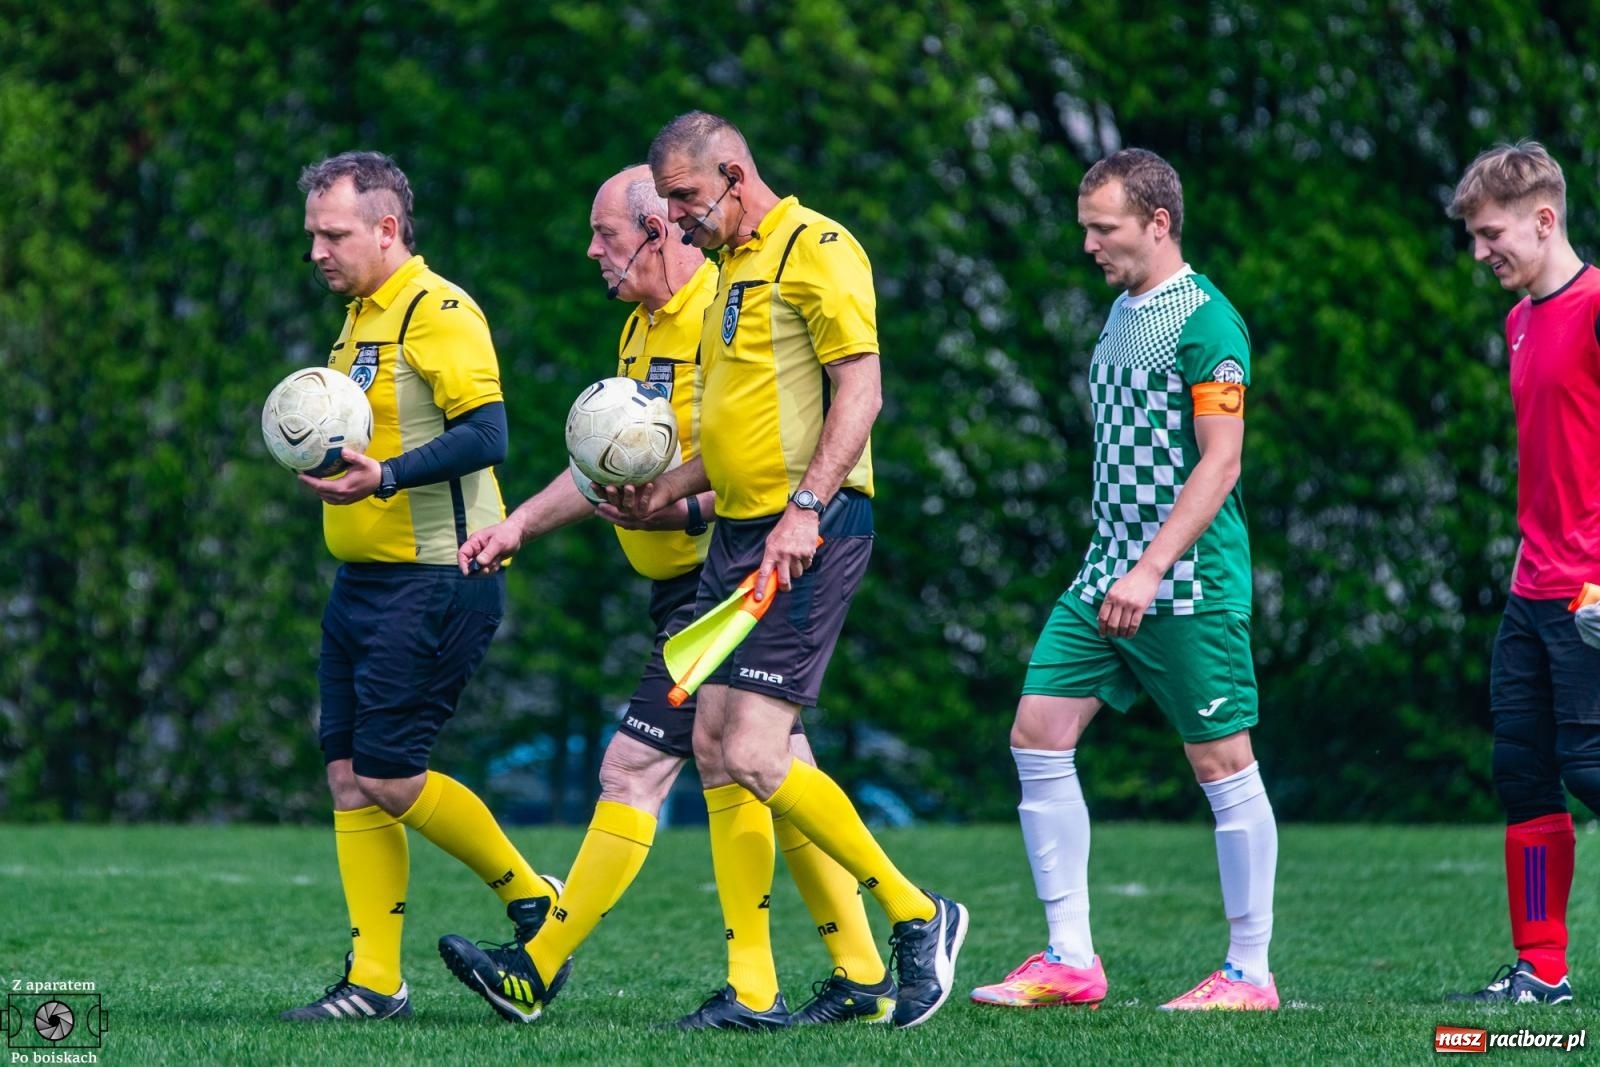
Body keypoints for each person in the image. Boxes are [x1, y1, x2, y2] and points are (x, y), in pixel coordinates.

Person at [436, 165, 894, 1028]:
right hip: (683, 583)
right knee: (773, 764)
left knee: (638, 766)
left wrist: (687, 505)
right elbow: (608, 467)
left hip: (719, 573)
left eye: (608, 234)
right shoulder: (640, 332)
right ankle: (861, 969)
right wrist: (521, 525)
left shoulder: (723, 309)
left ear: (663, 230)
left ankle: (541, 965)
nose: (593, 252)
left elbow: (761, 455)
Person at [617, 111, 968, 1030]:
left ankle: (918, 915)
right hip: (739, 529)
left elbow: (863, 388)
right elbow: (739, 433)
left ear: (734, 173)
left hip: (809, 527)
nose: (679, 220)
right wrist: (666, 492)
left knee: (758, 753)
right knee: (712, 745)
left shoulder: (819, 247)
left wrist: (806, 509)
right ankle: (753, 988)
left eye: (688, 199)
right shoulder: (732, 267)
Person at [970, 148, 1280, 1012]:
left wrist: (1150, 568)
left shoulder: (1208, 322)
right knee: (1036, 732)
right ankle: (1071, 959)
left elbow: (1220, 464)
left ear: (1157, 222)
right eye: (1084, 229)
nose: (1089, 246)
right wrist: (1123, 564)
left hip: (1183, 584)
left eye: (1102, 229)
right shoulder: (1118, 310)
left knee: (1221, 761)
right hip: (1106, 572)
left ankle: (1250, 974)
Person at [280, 151, 564, 1022]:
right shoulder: (358, 319)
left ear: (387, 228)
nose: (318, 252)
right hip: (362, 581)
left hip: (440, 577)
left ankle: (537, 901)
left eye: (333, 234)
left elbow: (490, 433)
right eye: (312, 237)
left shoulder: (438, 310)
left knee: (391, 774)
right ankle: (374, 980)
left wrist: (388, 477)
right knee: (345, 775)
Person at [1445, 140, 1600, 1006]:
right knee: (1525, 773)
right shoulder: (1519, 320)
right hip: (1530, 591)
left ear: (1546, 220)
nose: (1480, 253)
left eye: (1492, 233)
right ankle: (1542, 972)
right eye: (1473, 237)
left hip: (1591, 593)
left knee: (1590, 765)